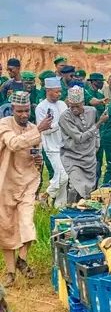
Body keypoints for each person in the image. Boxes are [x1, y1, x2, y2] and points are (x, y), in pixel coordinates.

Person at [0, 91, 54, 286]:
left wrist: (37, 159)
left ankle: (22, 259)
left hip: (28, 182)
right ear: (13, 109)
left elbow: (33, 152)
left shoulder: (32, 128)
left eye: (27, 110)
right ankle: (10, 272)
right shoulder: (4, 124)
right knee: (6, 228)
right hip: (5, 183)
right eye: (20, 111)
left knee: (26, 222)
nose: (24, 115)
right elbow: (14, 144)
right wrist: (38, 129)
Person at [60, 86, 107, 203]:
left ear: (83, 103)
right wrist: (99, 123)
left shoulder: (92, 111)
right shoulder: (65, 117)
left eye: (78, 106)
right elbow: (79, 138)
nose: (74, 109)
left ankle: (83, 213)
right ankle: (69, 209)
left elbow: (96, 134)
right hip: (72, 157)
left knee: (88, 190)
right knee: (74, 187)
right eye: (72, 106)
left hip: (89, 158)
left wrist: (96, 145)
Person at [35, 78, 69, 207]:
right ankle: (46, 195)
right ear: (48, 91)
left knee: (65, 179)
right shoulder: (41, 108)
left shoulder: (62, 105)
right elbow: (44, 131)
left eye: (60, 92)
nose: (59, 94)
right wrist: (59, 123)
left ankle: (60, 206)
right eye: (56, 92)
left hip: (64, 146)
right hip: (51, 147)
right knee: (63, 176)